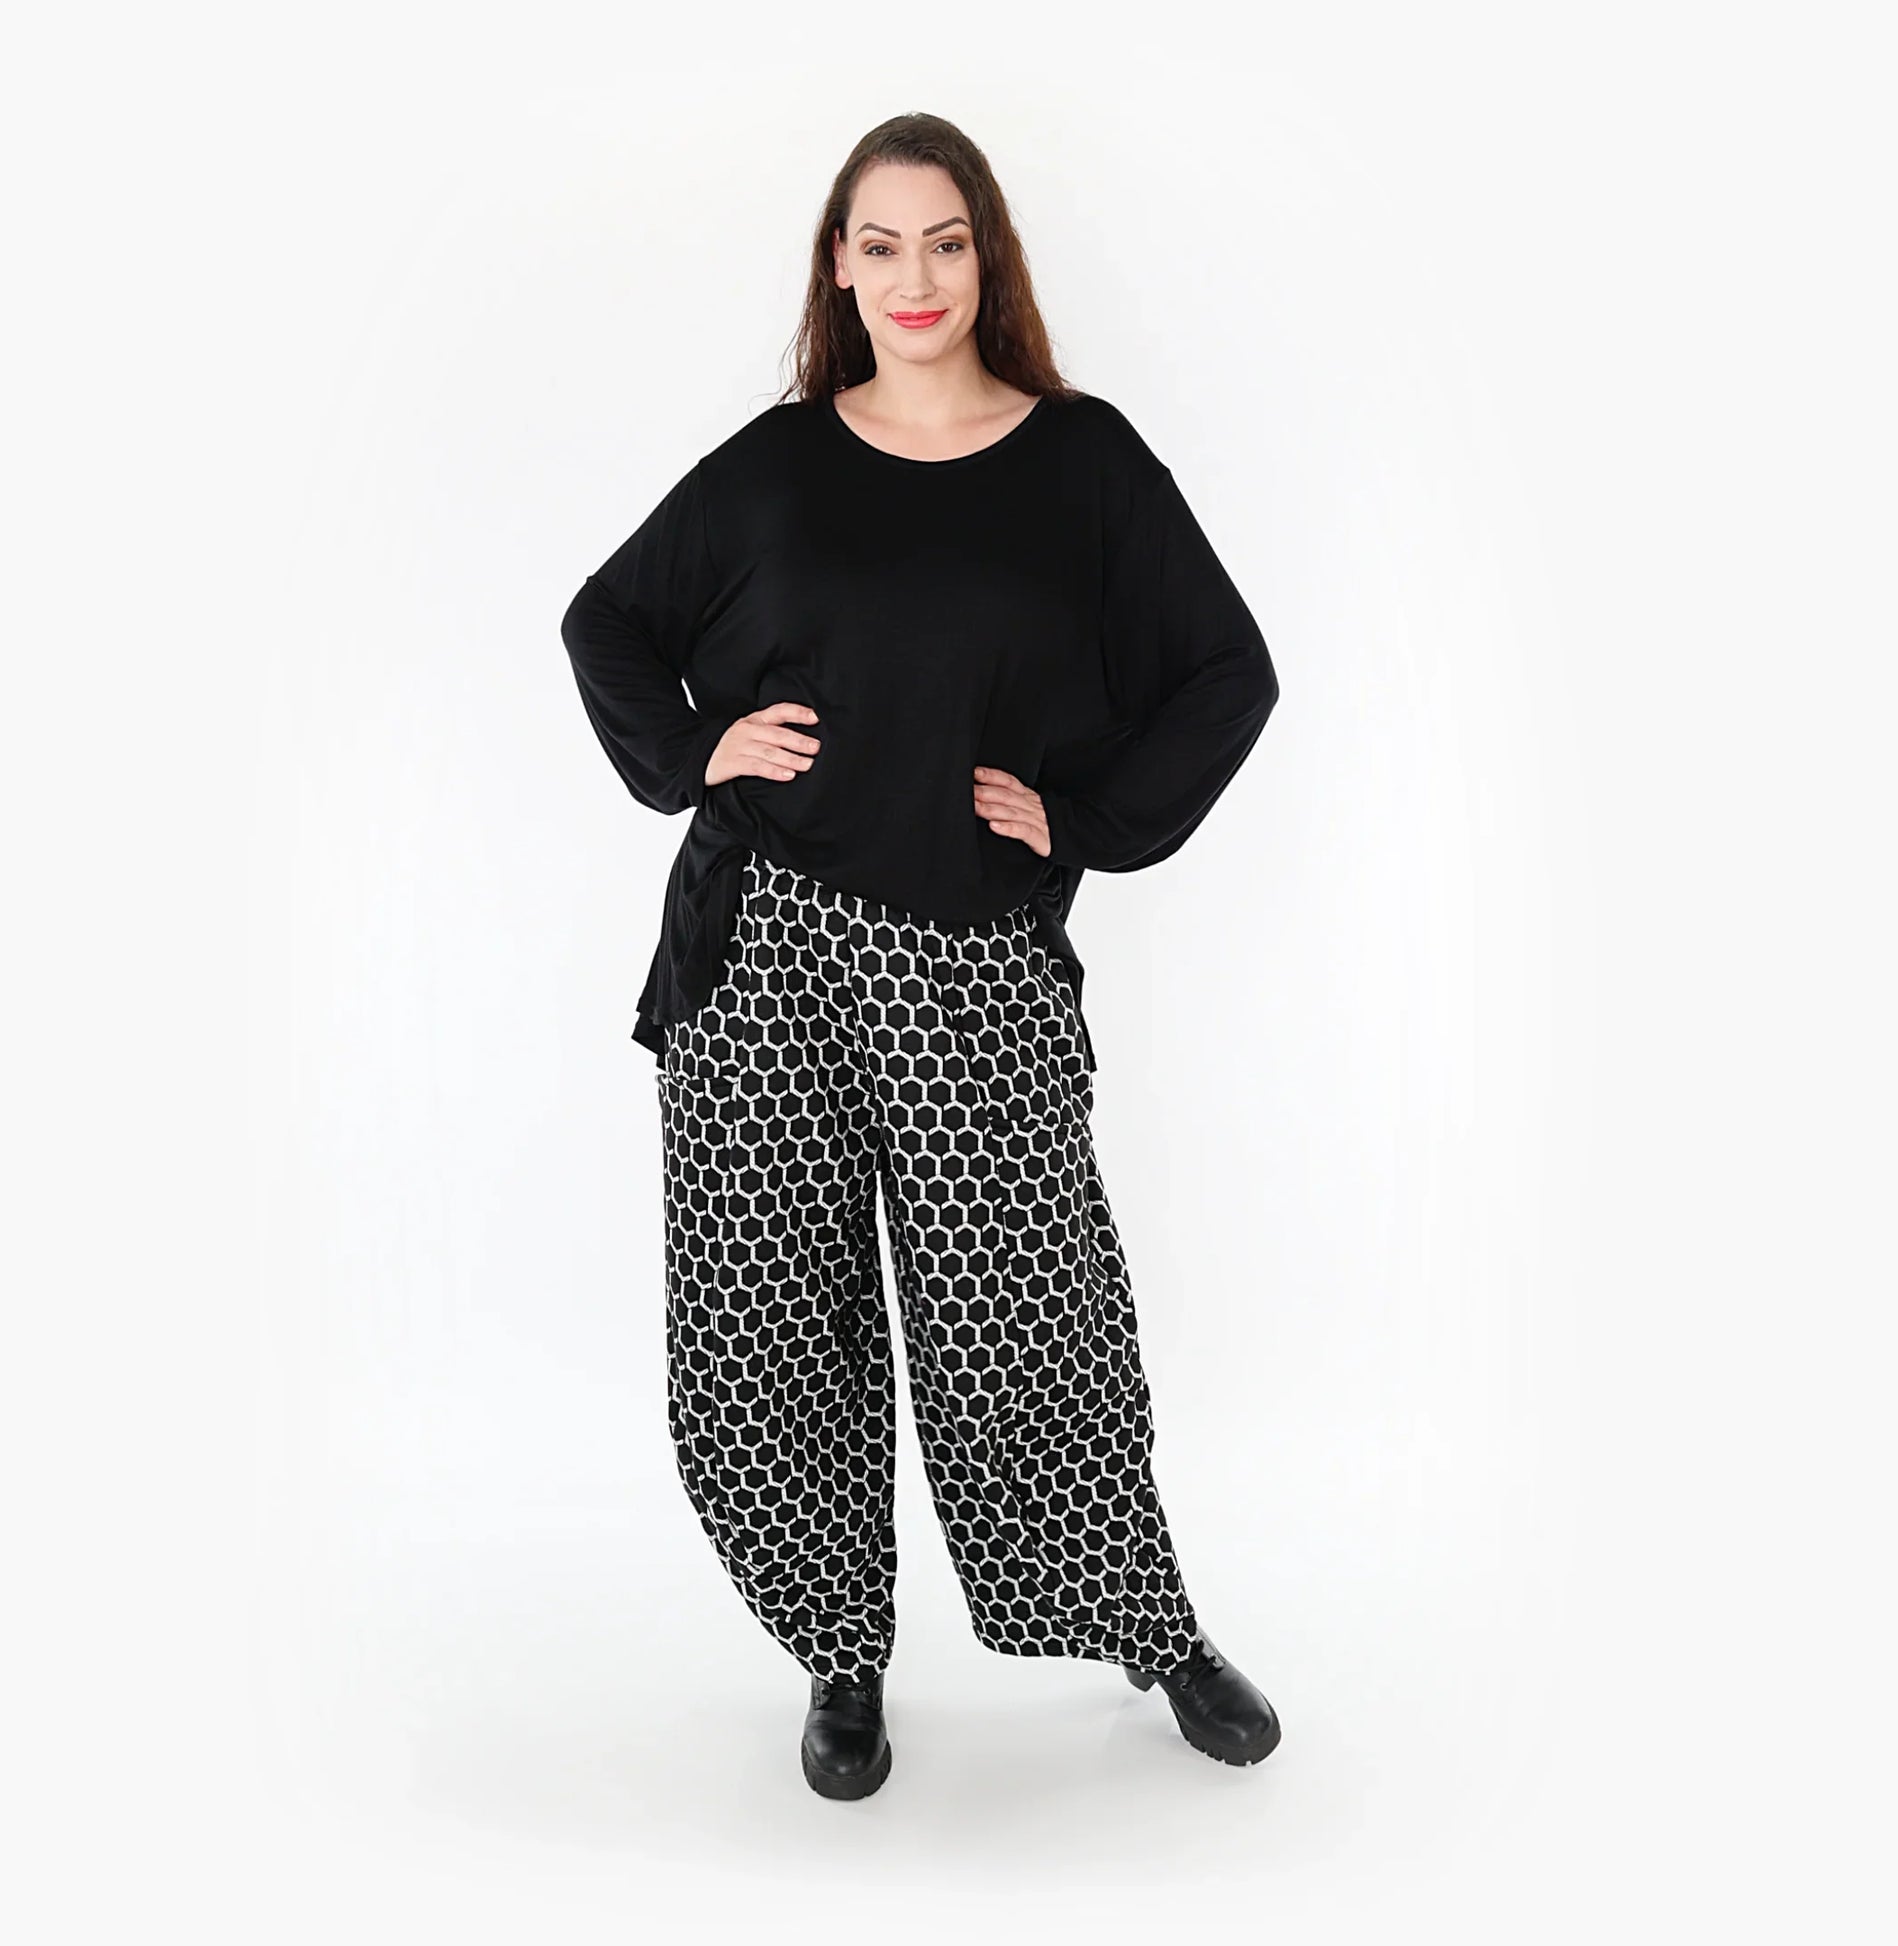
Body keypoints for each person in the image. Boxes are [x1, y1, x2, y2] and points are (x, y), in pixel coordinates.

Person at [559, 112, 1282, 1800]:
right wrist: (697, 749)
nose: (913, 277)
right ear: (838, 265)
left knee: (1030, 1316)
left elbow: (1224, 672)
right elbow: (608, 620)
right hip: (763, 948)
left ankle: (1148, 1622)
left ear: (986, 256)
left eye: (944, 242)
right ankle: (841, 1650)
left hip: (966, 954)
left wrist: (1080, 816)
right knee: (766, 1318)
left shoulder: (1082, 463)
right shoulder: (779, 465)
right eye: (878, 244)